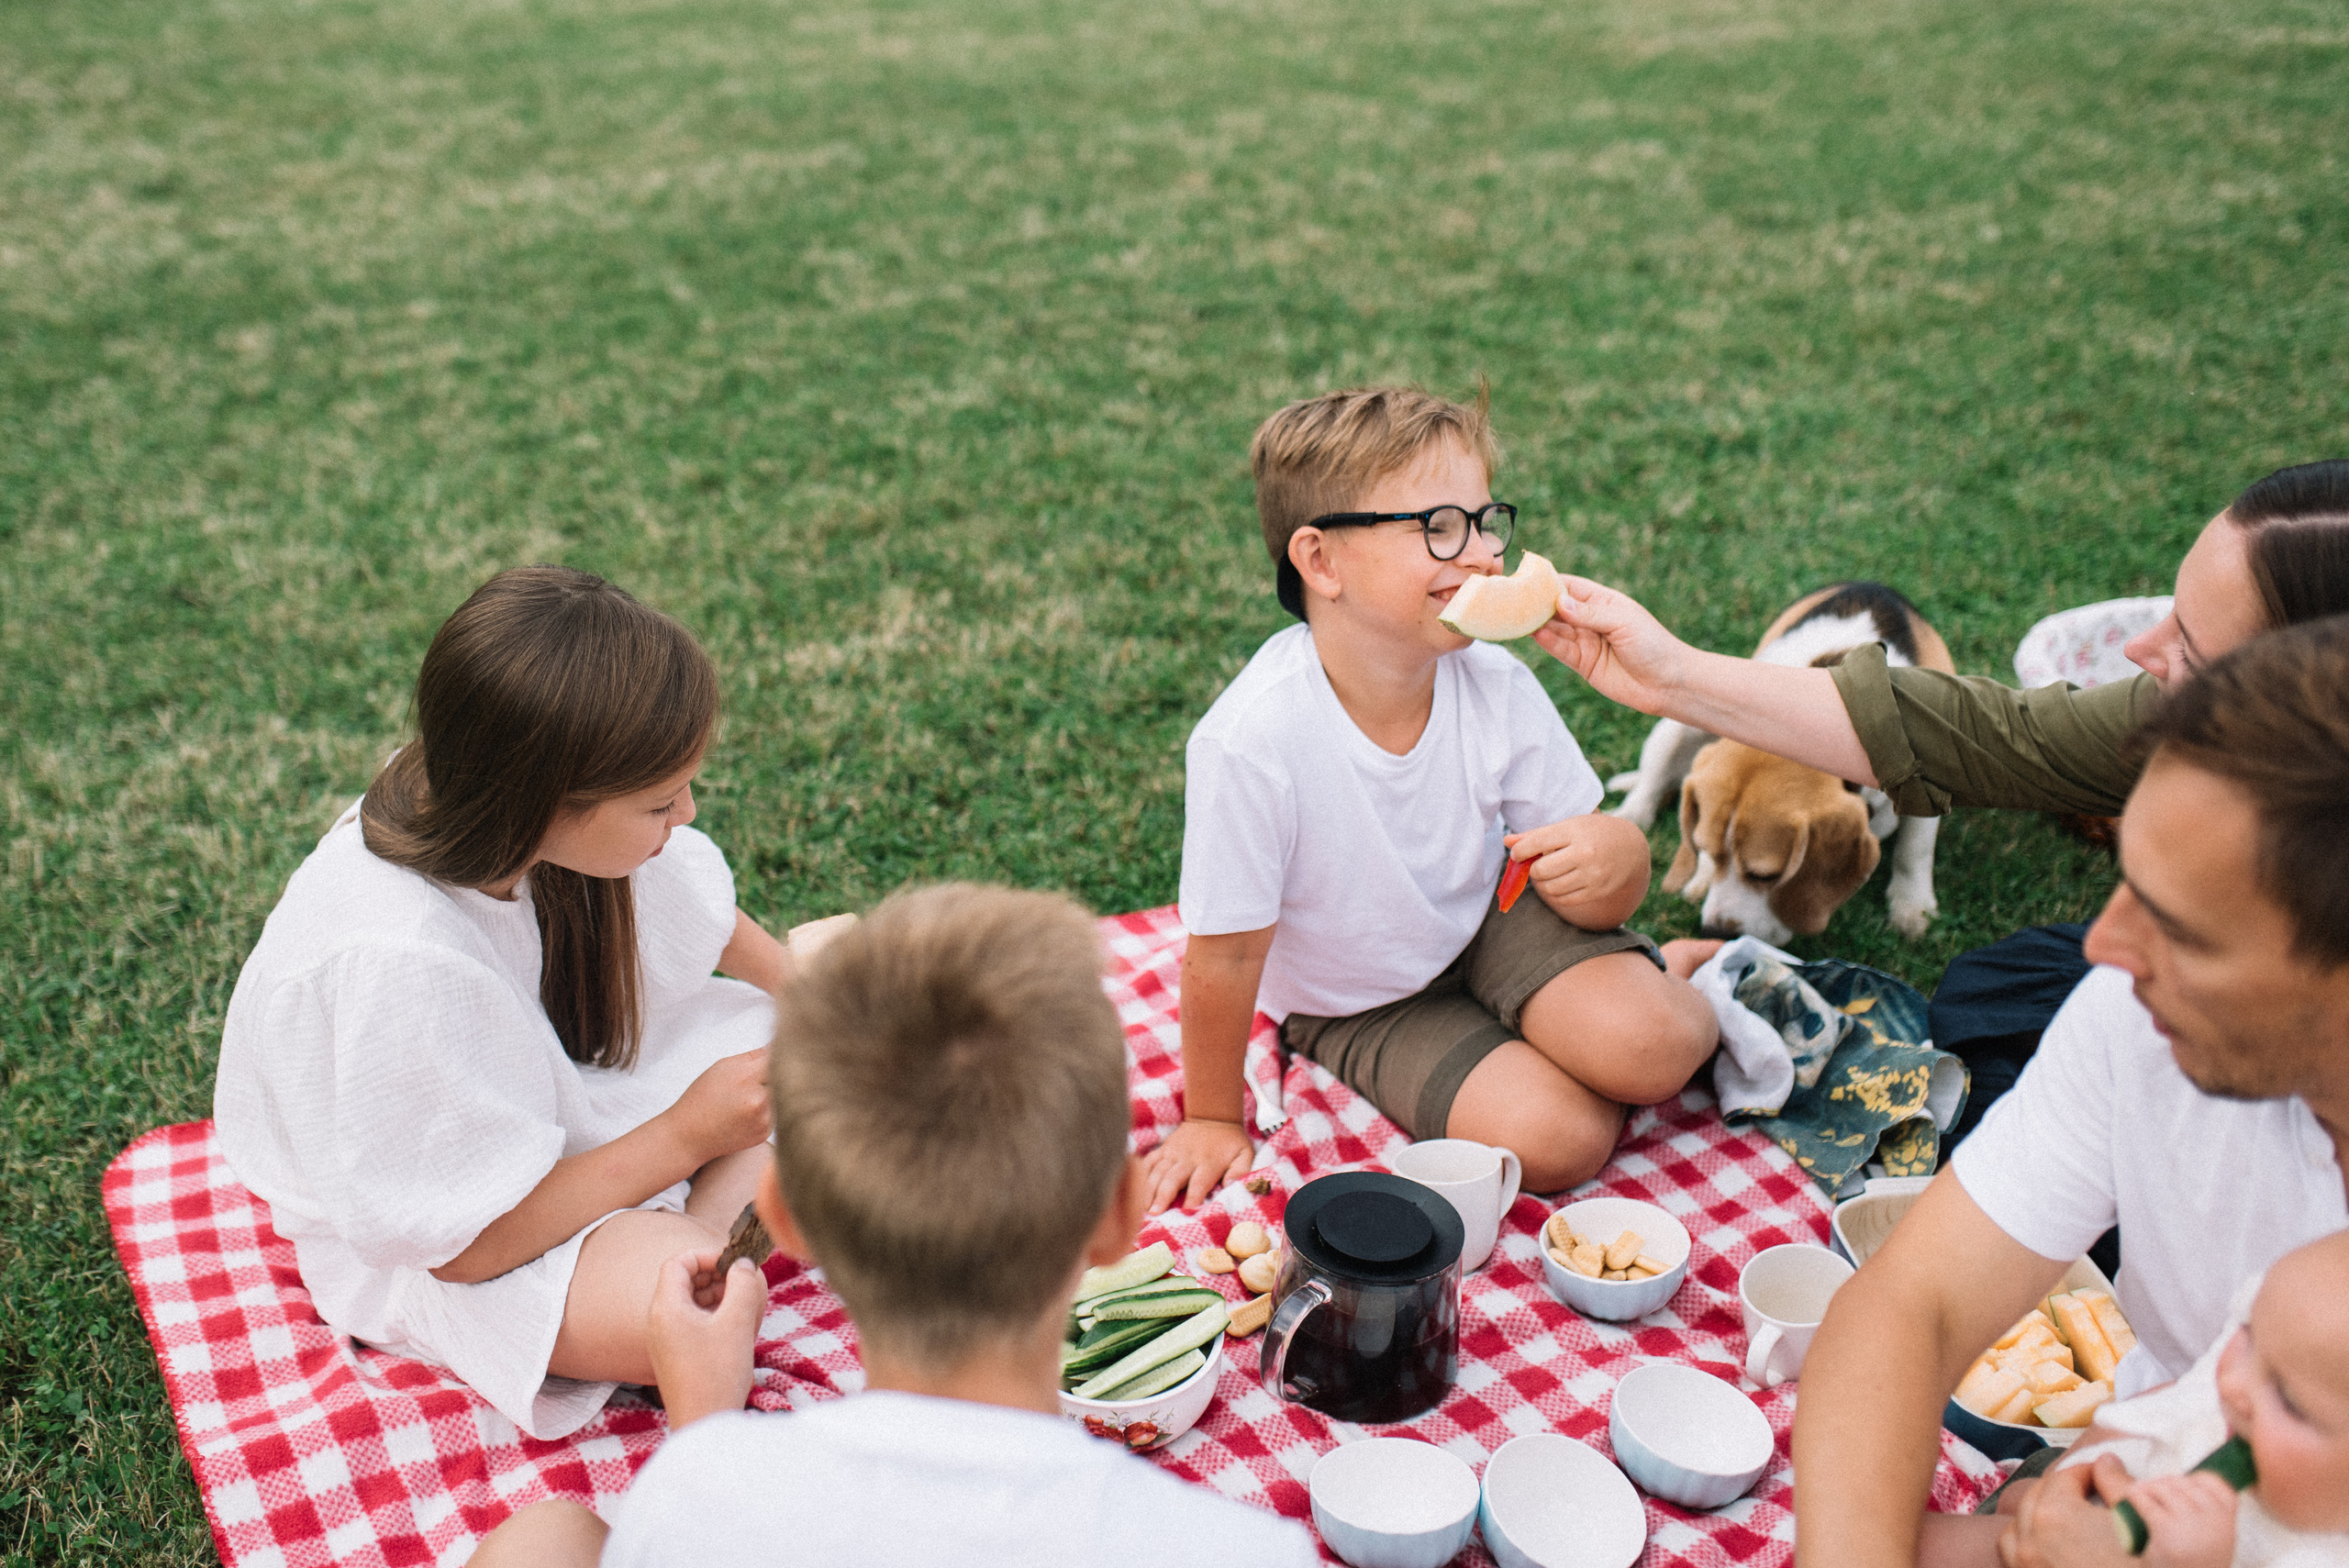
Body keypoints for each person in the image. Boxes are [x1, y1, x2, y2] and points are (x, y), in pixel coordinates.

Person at [473, 884, 1320, 1567]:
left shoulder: (692, 1499)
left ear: (785, 1218)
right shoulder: (1241, 1549)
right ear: (1117, 1218)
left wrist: (707, 1436)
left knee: (544, 1537)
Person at [1789, 617, 2349, 1568]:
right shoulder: (2136, 1012)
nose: (2102, 946)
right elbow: (1908, 1302)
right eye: (2122, 878)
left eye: (2182, 927)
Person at [214, 566, 790, 1440]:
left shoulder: (480, 796)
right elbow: (464, 1248)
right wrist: (690, 1135)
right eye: (661, 802)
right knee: (700, 1300)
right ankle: (693, 1247)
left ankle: (688, 1231)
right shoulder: (399, 963)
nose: (689, 811)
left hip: (545, 1103)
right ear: (548, 802)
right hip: (450, 1240)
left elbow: (698, 916)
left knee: (818, 1062)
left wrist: (810, 990)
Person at [1150, 384, 1718, 1211]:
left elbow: (1591, 865)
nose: (1484, 553)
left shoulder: (1492, 681)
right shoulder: (1252, 742)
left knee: (1657, 1046)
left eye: (1487, 522)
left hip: (1493, 916)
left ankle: (1695, 976)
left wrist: (1620, 856)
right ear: (1321, 562)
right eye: (1439, 527)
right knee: (1562, 1141)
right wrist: (1209, 1116)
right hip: (1360, 1003)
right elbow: (1224, 955)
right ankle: (1551, 1031)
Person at [1533, 459, 2349, 818]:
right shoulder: (2160, 721)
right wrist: (1671, 676)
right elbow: (1990, 738)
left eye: (2192, 651)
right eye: (2164, 615)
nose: (2139, 651)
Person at [1919, 1229, 2349, 1568]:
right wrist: (2059, 1485)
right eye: (2248, 1332)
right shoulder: (2257, 1377)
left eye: (2291, 1402)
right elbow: (2162, 1410)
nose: (2232, 1384)